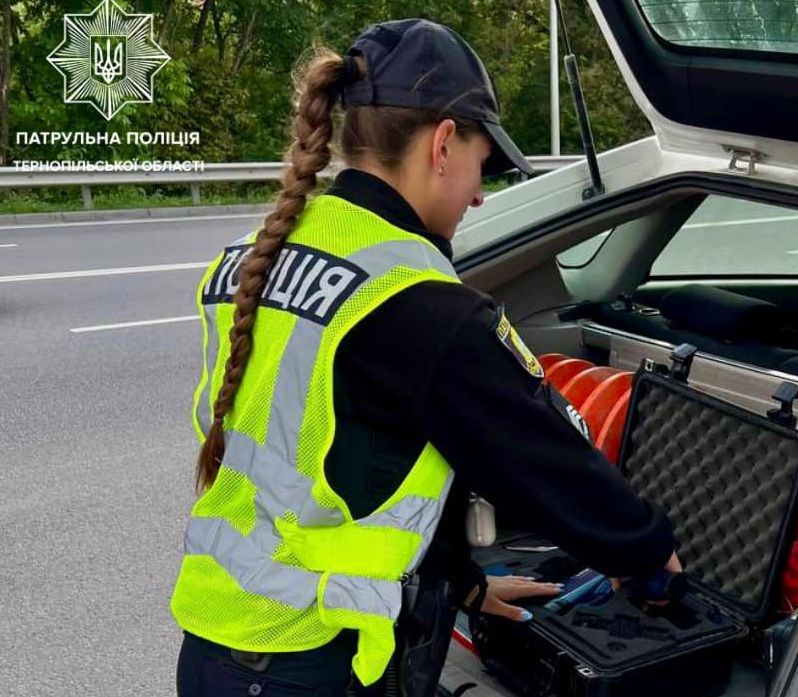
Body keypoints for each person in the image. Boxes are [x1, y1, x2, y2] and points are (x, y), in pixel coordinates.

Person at [169, 18, 681, 697]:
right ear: (443, 143)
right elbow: (542, 457)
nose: (477, 194)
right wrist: (649, 557)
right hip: (307, 659)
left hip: (220, 641)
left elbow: (360, 459)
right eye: (480, 166)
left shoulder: (255, 253)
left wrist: (462, 584)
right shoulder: (414, 300)